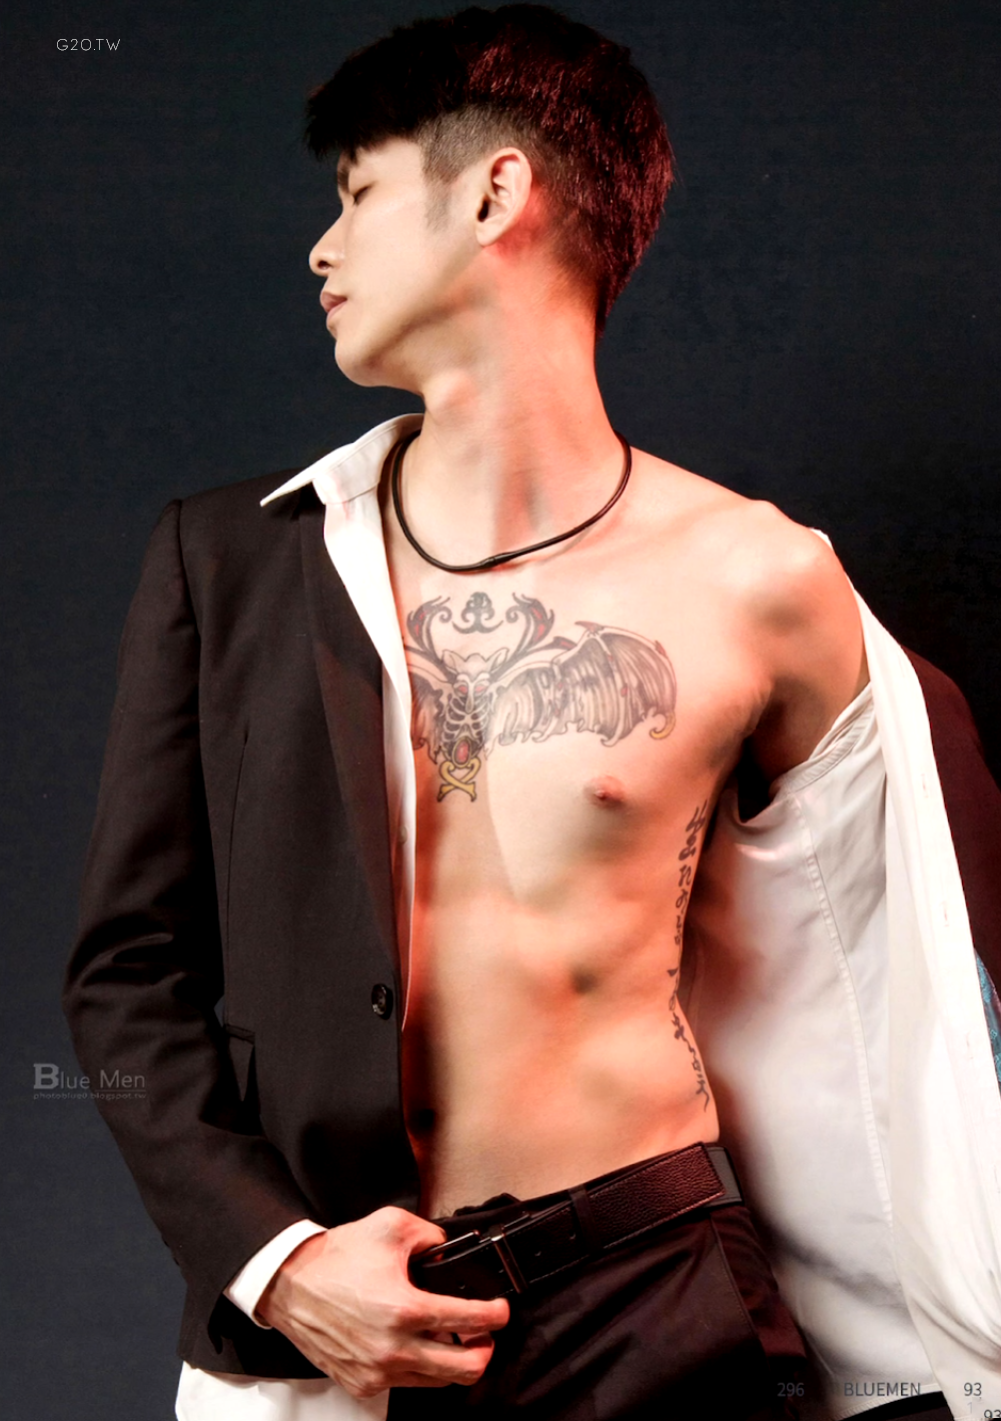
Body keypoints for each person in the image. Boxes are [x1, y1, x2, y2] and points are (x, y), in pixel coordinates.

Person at [62, 7, 1001, 1421]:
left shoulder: (760, 579)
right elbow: (127, 973)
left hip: (654, 1300)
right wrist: (276, 1262)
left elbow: (915, 945)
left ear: (495, 191)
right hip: (328, 1326)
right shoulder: (231, 563)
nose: (321, 247)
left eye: (359, 193)